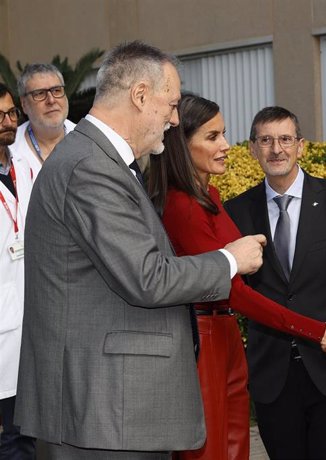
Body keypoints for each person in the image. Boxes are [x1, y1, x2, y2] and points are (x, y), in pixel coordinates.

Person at [13, 41, 272, 459]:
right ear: (139, 96)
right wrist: (230, 259)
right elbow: (147, 278)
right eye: (170, 105)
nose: (173, 120)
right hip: (102, 413)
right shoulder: (90, 167)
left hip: (111, 411)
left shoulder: (98, 161)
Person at [148, 94, 326, 460]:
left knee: (231, 450)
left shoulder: (209, 196)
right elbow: (238, 294)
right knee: (212, 451)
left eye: (224, 134)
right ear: (182, 145)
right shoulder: (182, 205)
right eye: (213, 137)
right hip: (207, 342)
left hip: (226, 339)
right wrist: (319, 330)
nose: (225, 146)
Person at [224, 106, 326, 459]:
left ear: (301, 146)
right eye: (265, 140)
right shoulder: (236, 211)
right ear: (251, 149)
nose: (276, 149)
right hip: (273, 376)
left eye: (285, 139)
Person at [0, 83, 35, 459]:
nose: (8, 123)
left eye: (11, 114)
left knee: (24, 432)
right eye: (0, 116)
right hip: (4, 328)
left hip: (31, 319)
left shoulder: (23, 167)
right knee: (9, 438)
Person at [12, 64, 76, 174]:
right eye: (40, 93)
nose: (51, 100)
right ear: (24, 104)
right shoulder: (10, 149)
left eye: (56, 90)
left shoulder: (88, 139)